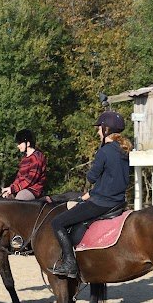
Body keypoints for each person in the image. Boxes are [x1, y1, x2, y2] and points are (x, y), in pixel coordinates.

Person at [49, 111, 131, 278]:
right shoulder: (124, 150)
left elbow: (92, 178)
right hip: (118, 201)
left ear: (106, 130)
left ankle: (69, 264)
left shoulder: (104, 152)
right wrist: (89, 195)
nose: (98, 132)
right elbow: (111, 180)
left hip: (102, 203)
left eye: (99, 129)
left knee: (57, 222)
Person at [1, 129, 47, 200]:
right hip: (22, 188)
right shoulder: (24, 159)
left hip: (33, 190)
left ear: (28, 143)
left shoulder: (36, 158)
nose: (18, 146)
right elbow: (18, 178)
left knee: (20, 198)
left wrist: (13, 189)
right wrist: (11, 188)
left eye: (20, 143)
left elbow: (30, 181)